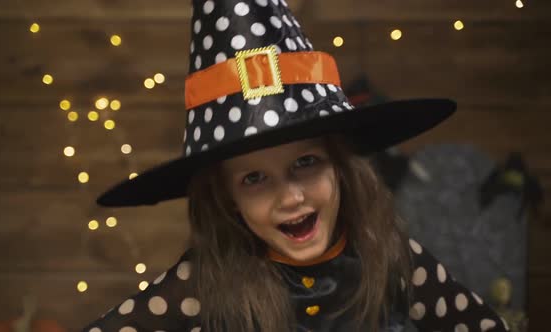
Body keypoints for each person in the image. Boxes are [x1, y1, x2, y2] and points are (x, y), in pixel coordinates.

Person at [83, 0, 509, 331]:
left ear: (341, 167)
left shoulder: (393, 259)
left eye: (306, 162)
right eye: (254, 178)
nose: (291, 196)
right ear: (229, 199)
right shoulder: (203, 282)